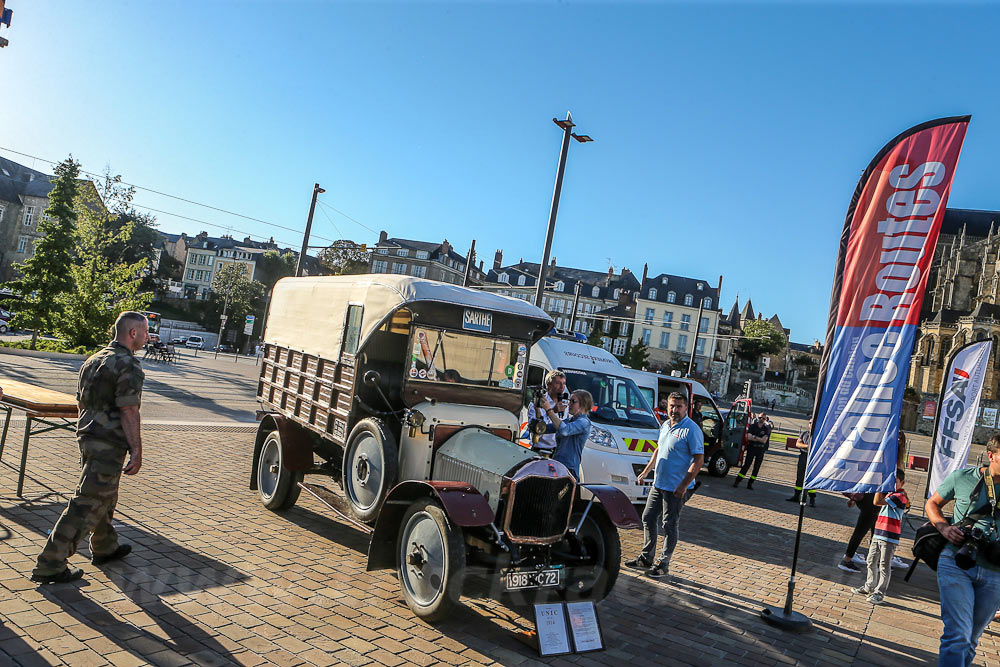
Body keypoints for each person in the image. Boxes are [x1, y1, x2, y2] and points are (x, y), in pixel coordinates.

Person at [31, 312, 148, 584]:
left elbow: (80, 403)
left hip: (88, 435)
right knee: (87, 502)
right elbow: (129, 410)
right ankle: (50, 563)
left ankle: (105, 547)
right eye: (145, 332)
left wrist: (90, 430)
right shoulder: (128, 364)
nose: (148, 337)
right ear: (133, 334)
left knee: (104, 493)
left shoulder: (94, 360)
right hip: (108, 442)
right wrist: (137, 450)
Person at [926, 435, 1000, 665]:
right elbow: (932, 503)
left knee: (970, 639)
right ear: (991, 455)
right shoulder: (963, 477)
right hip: (958, 560)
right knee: (958, 635)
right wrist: (944, 528)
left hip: (995, 568)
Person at [625, 392, 704, 579]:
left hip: (676, 488)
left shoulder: (692, 430)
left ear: (686, 408)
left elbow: (699, 460)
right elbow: (659, 449)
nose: (674, 410)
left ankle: (663, 563)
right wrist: (646, 471)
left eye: (678, 406)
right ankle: (646, 557)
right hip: (659, 483)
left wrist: (684, 485)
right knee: (648, 517)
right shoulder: (666, 425)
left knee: (669, 525)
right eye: (671, 406)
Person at [837, 431, 910, 573]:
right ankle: (846, 560)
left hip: (876, 496)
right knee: (862, 529)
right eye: (897, 437)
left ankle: (875, 560)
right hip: (872, 496)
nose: (898, 440)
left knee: (875, 531)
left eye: (901, 438)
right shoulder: (884, 452)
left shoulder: (895, 455)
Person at [852, 469, 909, 605]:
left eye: (894, 482)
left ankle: (879, 592)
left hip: (889, 536)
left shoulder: (899, 496)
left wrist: (879, 485)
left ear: (902, 483)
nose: (891, 484)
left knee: (884, 565)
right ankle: (869, 586)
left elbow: (876, 502)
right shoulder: (891, 493)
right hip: (879, 533)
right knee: (871, 561)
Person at [540, 390, 594, 480]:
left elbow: (564, 430)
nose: (569, 404)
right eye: (570, 401)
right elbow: (544, 429)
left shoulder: (584, 422)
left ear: (583, 404)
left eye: (573, 401)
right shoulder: (569, 421)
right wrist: (538, 408)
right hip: (558, 465)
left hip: (569, 470)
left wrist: (549, 410)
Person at [526, 370, 568, 451]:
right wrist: (552, 411)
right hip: (540, 449)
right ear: (548, 385)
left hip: (557, 450)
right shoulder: (537, 403)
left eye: (564, 383)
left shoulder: (565, 403)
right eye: (558, 383)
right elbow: (537, 431)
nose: (562, 387)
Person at [733, 412, 769, 490]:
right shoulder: (753, 426)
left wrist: (755, 437)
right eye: (760, 418)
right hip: (752, 448)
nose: (761, 420)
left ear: (765, 419)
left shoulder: (766, 429)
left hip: (760, 450)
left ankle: (750, 483)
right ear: (757, 418)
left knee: (756, 468)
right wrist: (759, 438)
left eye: (763, 418)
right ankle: (738, 480)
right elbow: (749, 437)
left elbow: (764, 441)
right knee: (747, 465)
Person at [786, 419, 817, 506]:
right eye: (810, 423)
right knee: (800, 477)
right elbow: (798, 444)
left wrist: (806, 447)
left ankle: (812, 498)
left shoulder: (818, 434)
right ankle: (797, 496)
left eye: (813, 423)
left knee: (811, 477)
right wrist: (807, 446)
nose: (811, 424)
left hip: (813, 458)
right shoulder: (804, 434)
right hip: (803, 456)